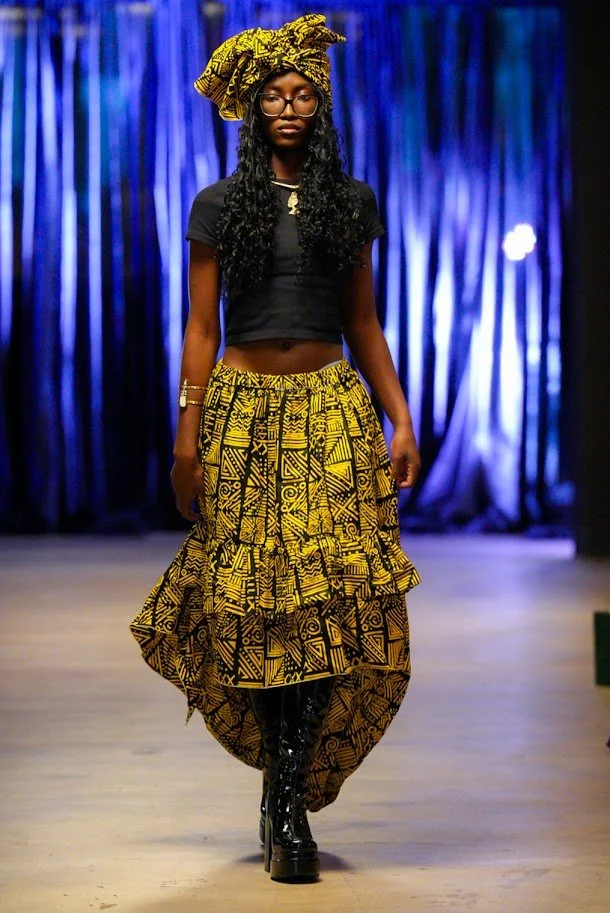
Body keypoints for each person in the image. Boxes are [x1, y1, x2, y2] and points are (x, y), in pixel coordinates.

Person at [130, 13, 421, 883]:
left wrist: (400, 417)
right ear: (252, 110)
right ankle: (283, 798)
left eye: (301, 94)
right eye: (273, 95)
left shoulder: (349, 200)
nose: (288, 106)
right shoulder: (221, 205)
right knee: (259, 607)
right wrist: (187, 431)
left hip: (331, 411)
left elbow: (365, 321)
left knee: (334, 605)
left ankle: (286, 798)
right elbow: (198, 327)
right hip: (245, 416)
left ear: (319, 106)